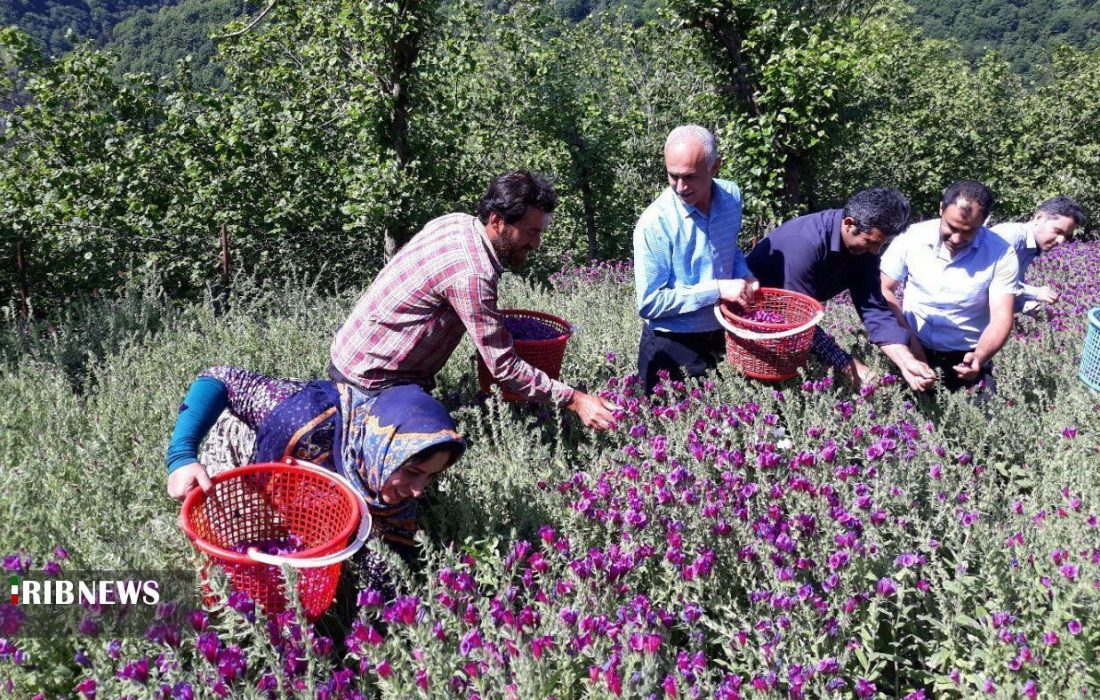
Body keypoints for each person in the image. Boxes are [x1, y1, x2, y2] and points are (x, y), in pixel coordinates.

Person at [330, 170, 618, 500]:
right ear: (497, 221)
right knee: (386, 484)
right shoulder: (473, 274)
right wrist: (574, 399)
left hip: (356, 351)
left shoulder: (456, 223)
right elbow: (505, 369)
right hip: (373, 381)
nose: (536, 243)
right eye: (530, 232)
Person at [164, 367, 463, 557]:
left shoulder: (389, 480)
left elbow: (397, 551)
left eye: (431, 477)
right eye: (412, 472)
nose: (418, 491)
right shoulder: (300, 417)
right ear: (382, 451)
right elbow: (219, 378)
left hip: (318, 478)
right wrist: (181, 457)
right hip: (248, 457)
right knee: (241, 539)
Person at [745, 188, 935, 391]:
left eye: (880, 244)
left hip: (790, 317)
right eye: (870, 242)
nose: (874, 252)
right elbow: (799, 324)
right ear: (849, 224)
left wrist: (906, 361)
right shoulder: (804, 245)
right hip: (753, 322)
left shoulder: (865, 247)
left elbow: (873, 309)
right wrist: (850, 367)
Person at [633, 125, 758, 393]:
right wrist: (718, 289)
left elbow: (729, 248)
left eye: (689, 177)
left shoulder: (731, 197)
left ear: (715, 168)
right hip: (672, 347)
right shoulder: (655, 223)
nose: (680, 187)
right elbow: (649, 303)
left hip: (723, 335)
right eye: (672, 175)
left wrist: (744, 273)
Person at [880, 181, 1019, 394]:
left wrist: (979, 357)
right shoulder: (911, 237)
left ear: (984, 222)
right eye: (951, 227)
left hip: (965, 356)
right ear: (941, 209)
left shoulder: (1000, 253)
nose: (956, 239)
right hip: (913, 343)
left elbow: (1002, 317)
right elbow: (885, 289)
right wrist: (911, 346)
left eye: (968, 231)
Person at [991, 196, 1087, 314]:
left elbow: (1006, 289)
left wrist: (1026, 305)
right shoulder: (1010, 237)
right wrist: (1036, 293)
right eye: (1058, 231)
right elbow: (988, 280)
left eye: (1066, 236)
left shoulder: (1032, 247)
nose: (1061, 241)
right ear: (1039, 217)